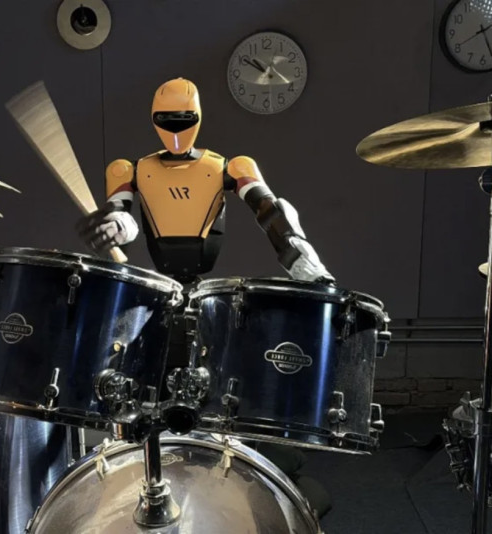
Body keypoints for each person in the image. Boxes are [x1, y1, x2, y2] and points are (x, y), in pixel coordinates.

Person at [76, 77, 333, 517]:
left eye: (183, 119)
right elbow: (124, 215)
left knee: (217, 386)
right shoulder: (131, 170)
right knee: (153, 390)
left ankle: (240, 471)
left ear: (197, 117)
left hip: (203, 292)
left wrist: (308, 267)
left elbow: (270, 211)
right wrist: (115, 226)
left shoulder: (227, 166)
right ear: (154, 120)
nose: (176, 129)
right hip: (162, 292)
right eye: (167, 120)